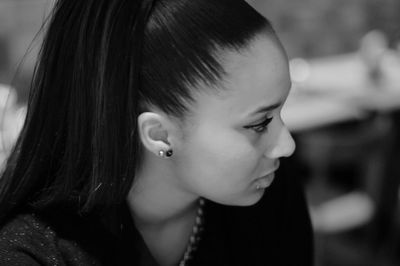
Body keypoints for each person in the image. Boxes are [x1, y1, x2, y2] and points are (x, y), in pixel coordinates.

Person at [0, 0, 313, 265]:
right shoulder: (35, 253)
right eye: (260, 123)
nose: (285, 145)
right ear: (159, 135)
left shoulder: (268, 187)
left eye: (281, 112)